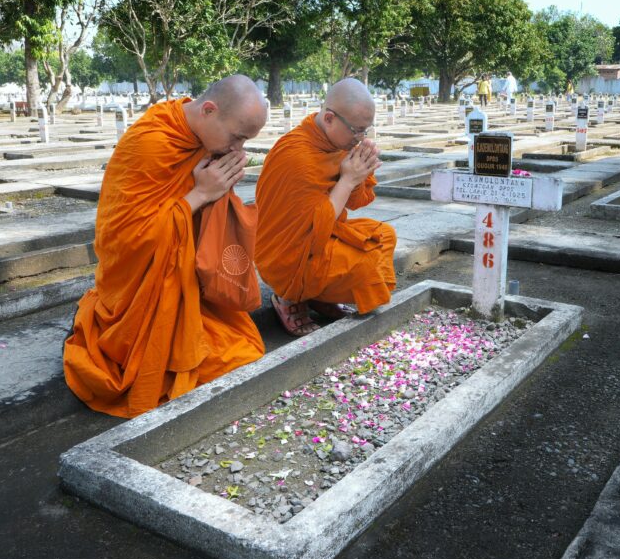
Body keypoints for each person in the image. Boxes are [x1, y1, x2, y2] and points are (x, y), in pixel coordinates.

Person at [63, 75, 268, 418]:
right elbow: (125, 241)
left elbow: (202, 222)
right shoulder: (152, 142)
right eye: (237, 137)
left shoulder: (203, 138)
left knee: (244, 349)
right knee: (214, 364)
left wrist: (219, 189)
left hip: (183, 286)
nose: (238, 150)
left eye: (245, 142)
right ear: (208, 110)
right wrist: (201, 194)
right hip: (137, 291)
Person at [254, 78, 397, 336]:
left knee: (385, 236)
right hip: (290, 258)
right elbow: (309, 235)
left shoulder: (335, 142)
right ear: (329, 118)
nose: (360, 138)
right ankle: (289, 296)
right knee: (367, 268)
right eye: (356, 130)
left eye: (365, 131)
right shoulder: (297, 157)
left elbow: (356, 202)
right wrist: (348, 179)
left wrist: (360, 172)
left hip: (321, 237)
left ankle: (318, 295)